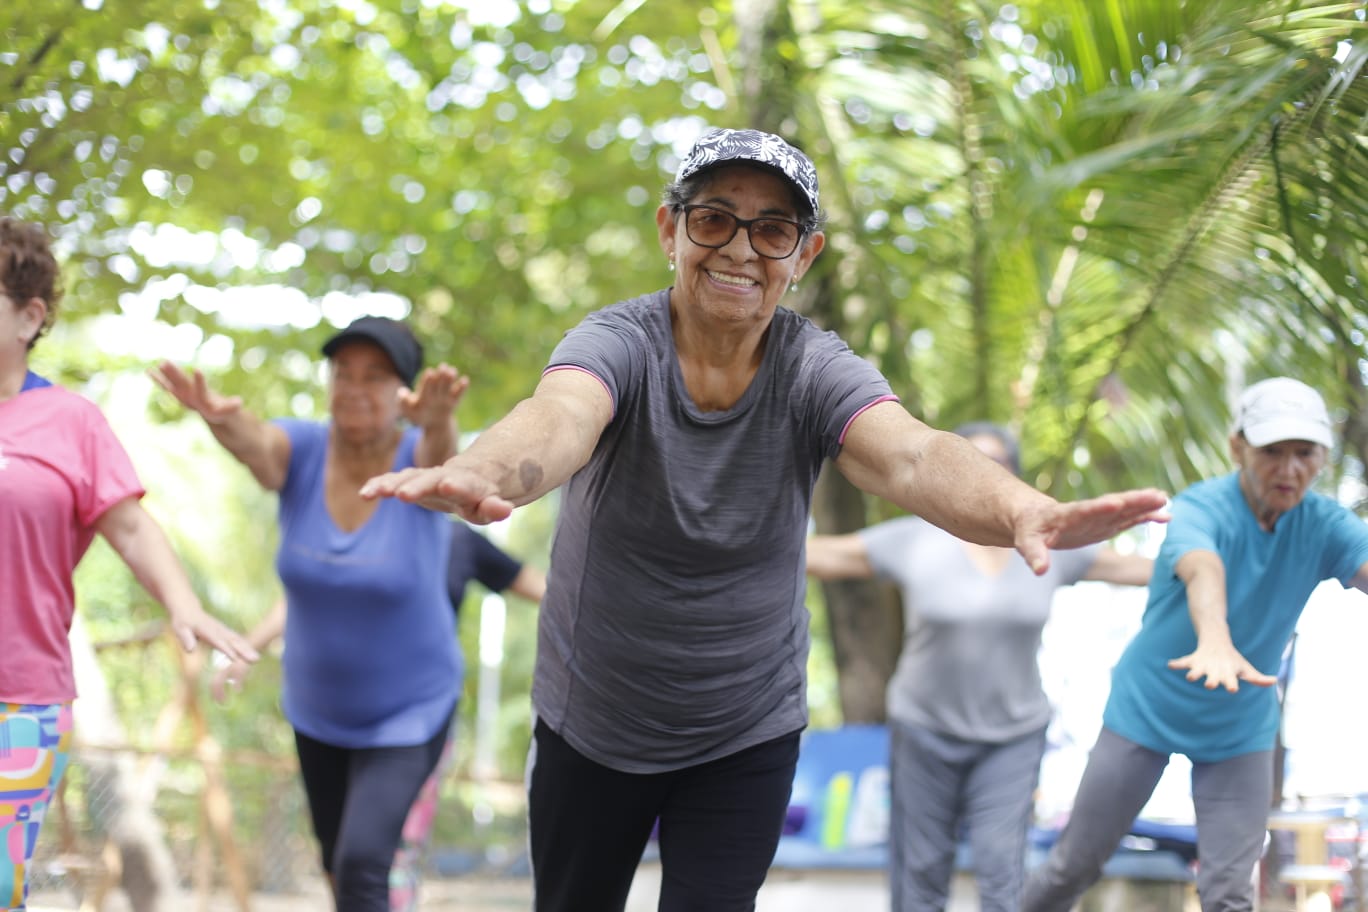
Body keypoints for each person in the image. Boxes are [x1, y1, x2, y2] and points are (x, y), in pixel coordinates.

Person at [358, 126, 1168, 912]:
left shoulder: (814, 368)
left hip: (744, 730)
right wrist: (480, 470)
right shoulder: (618, 341)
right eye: (714, 219)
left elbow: (911, 455)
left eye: (773, 230)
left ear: (803, 253)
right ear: (670, 230)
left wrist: (1021, 507)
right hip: (594, 720)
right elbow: (562, 415)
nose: (741, 250)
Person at [150, 316, 469, 912]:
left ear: (403, 393)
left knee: (362, 865)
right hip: (318, 711)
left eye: (374, 376)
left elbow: (440, 466)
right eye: (342, 373)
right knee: (335, 863)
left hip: (408, 712)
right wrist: (221, 416)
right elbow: (258, 445)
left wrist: (440, 419)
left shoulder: (416, 461)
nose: (352, 386)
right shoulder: (302, 450)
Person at [1021, 377, 1368, 912]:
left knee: (1229, 894)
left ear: (1323, 456)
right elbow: (1202, 569)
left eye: (1306, 453)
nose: (1291, 469)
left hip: (1239, 726)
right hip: (1147, 709)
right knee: (1073, 867)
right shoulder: (1201, 507)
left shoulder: (1326, 525)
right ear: (1238, 447)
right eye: (1273, 452)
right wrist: (1215, 639)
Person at [0, 216, 258, 911]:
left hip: (19, 696)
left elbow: (131, 526)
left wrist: (186, 604)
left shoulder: (70, 422)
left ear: (30, 317)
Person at [805, 421, 1153, 912]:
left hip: (1012, 737)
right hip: (924, 730)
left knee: (1001, 869)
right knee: (920, 871)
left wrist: (1213, 557)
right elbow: (825, 554)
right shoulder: (915, 538)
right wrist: (724, 547)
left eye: (999, 463)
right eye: (973, 461)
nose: (986, 472)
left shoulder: (1049, 545)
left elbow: (1139, 569)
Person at [209, 523, 547, 912]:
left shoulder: (456, 540)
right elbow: (302, 597)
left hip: (415, 723)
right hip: (332, 717)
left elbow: (533, 583)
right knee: (339, 857)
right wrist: (246, 648)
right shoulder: (353, 533)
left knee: (377, 859)